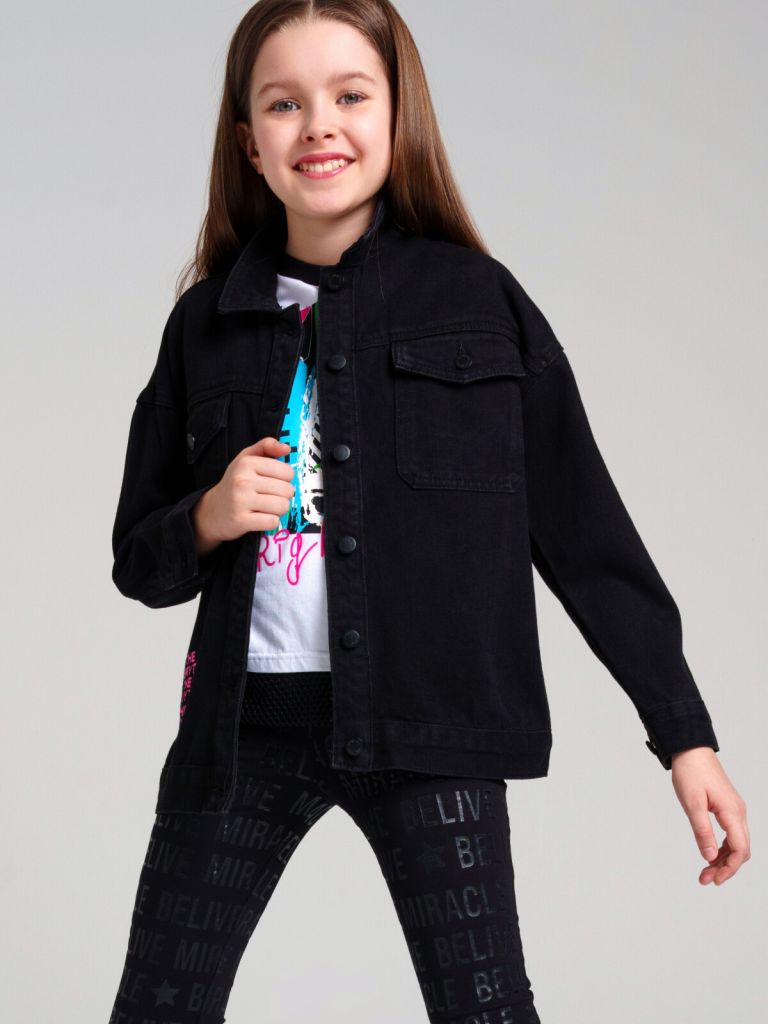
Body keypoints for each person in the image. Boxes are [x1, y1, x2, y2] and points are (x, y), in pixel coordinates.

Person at [107, 2, 750, 1022]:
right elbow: (138, 561)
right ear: (250, 142)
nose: (319, 125)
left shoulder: (479, 302)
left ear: (398, 116)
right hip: (242, 731)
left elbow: (586, 534)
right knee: (157, 1007)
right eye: (284, 104)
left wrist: (685, 735)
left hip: (431, 724)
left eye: (350, 95)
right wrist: (209, 516)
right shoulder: (205, 325)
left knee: (485, 1011)